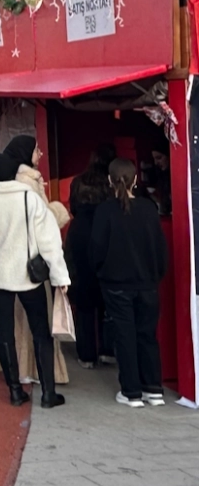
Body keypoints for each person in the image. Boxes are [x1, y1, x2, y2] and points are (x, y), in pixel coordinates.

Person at [0, 152, 70, 409]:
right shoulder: (28, 197)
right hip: (28, 274)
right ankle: (48, 392)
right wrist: (60, 275)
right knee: (40, 329)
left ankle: (14, 390)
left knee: (3, 331)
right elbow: (49, 240)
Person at [0, 136, 70, 389]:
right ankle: (38, 375)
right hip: (30, 262)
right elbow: (43, 224)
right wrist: (59, 212)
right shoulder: (29, 182)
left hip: (6, 262)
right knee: (36, 322)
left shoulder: (13, 181)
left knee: (12, 321)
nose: (41, 153)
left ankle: (17, 373)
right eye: (37, 148)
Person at [94, 159, 170, 407]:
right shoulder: (148, 208)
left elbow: (96, 249)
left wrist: (100, 271)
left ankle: (131, 391)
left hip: (116, 284)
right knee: (147, 335)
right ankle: (153, 388)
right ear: (135, 180)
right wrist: (157, 274)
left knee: (124, 335)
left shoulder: (105, 210)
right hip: (147, 283)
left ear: (109, 181)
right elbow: (160, 247)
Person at [66, 145, 116, 368]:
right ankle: (108, 350)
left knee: (84, 298)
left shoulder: (78, 180)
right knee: (108, 295)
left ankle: (87, 355)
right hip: (106, 230)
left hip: (80, 231)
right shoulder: (110, 181)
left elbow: (74, 207)